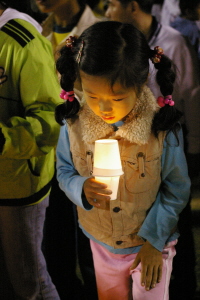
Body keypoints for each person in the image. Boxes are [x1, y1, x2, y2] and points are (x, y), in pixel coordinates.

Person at [55, 20, 190, 300]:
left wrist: (154, 241)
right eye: (92, 96)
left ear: (140, 84)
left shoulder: (161, 128)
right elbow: (64, 170)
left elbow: (176, 189)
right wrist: (80, 187)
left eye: (116, 98)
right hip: (101, 242)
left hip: (151, 243)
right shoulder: (73, 124)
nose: (104, 107)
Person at [104, 2, 199, 299]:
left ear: (133, 5)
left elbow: (191, 96)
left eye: (112, 3)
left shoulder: (172, 41)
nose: (107, 11)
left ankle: (182, 286)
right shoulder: (120, 42)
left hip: (170, 144)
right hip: (132, 152)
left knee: (175, 221)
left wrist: (193, 149)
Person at [34, 1, 99, 299]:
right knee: (54, 239)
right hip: (51, 150)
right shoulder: (37, 31)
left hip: (93, 150)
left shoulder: (99, 30)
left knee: (94, 241)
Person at [0, 0, 62, 299]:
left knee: (29, 281)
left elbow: (51, 119)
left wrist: (4, 139)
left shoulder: (22, 41)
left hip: (19, 184)